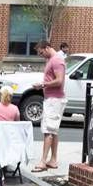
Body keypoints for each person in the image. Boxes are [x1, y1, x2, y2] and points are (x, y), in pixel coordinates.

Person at [31, 40, 66, 172]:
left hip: (54, 100)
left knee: (48, 131)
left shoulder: (57, 60)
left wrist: (43, 85)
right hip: (53, 99)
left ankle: (43, 161)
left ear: (46, 48)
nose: (41, 55)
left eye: (41, 52)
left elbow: (59, 80)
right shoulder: (52, 59)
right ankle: (53, 160)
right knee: (53, 131)